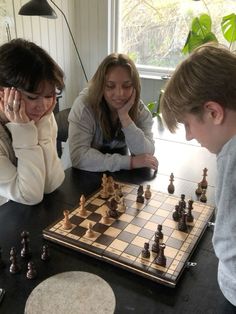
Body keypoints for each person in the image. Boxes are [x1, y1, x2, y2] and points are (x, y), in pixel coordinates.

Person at [160, 43, 236, 307]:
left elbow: (229, 244)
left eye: (188, 124)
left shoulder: (233, 155)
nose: (189, 135)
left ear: (213, 112)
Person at [62, 53, 158, 172]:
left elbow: (147, 154)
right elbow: (79, 157)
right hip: (76, 173)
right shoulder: (84, 106)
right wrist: (130, 162)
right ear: (100, 86)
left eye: (126, 86)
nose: (119, 93)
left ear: (135, 87)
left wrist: (125, 118)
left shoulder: (139, 110)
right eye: (110, 86)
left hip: (113, 173)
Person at [0, 38, 65, 206]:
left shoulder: (42, 117)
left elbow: (51, 183)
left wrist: (42, 126)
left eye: (49, 95)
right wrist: (23, 130)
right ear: (3, 92)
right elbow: (30, 195)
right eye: (32, 97)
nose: (42, 106)